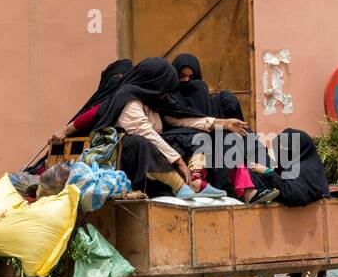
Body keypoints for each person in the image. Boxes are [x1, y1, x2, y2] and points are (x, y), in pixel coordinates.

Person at [91, 58, 244, 197]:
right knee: (140, 142)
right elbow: (147, 133)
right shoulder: (128, 101)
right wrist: (179, 162)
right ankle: (180, 185)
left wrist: (224, 123)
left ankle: (196, 182)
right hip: (131, 161)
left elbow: (181, 120)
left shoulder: (152, 101)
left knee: (194, 135)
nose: (167, 93)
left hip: (157, 158)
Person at [50, 58, 132, 143]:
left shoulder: (131, 100)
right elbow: (94, 112)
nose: (119, 80)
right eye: (116, 77)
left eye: (124, 77)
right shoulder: (103, 102)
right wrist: (64, 131)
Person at [243, 129, 328, 206]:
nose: (281, 150)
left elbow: (294, 195)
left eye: (285, 146)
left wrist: (267, 172)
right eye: (280, 146)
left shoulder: (306, 170)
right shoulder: (287, 169)